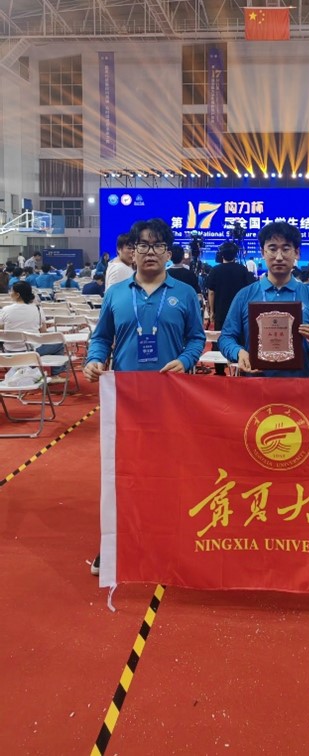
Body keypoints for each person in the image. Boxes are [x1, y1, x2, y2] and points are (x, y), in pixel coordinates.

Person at [84, 218, 206, 575]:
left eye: (158, 245)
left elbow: (197, 338)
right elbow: (101, 338)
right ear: (131, 251)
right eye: (143, 245)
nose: (150, 251)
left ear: (168, 253)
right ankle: (116, 542)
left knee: (170, 472)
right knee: (124, 473)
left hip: (172, 399)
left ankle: (169, 538)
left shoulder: (184, 293)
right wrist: (94, 359)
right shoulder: (116, 294)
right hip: (126, 401)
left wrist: (186, 360)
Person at [219, 221, 309, 376]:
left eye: (286, 249)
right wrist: (238, 352)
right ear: (263, 252)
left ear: (296, 253)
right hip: (254, 384)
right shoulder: (244, 295)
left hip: (297, 385)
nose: (279, 257)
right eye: (272, 249)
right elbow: (226, 338)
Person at [0, 282, 66, 377]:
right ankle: (56, 374)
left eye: (11, 291)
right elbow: (43, 333)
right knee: (59, 342)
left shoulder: (5, 310)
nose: (9, 293)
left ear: (17, 294)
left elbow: (2, 330)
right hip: (32, 352)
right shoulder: (37, 309)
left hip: (9, 352)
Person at [206, 241, 253, 375]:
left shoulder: (215, 270)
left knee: (219, 338)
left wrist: (212, 311)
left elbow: (211, 292)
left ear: (221, 255)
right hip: (240, 311)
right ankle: (240, 367)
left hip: (221, 311)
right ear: (235, 255)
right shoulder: (242, 270)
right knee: (240, 339)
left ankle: (219, 370)